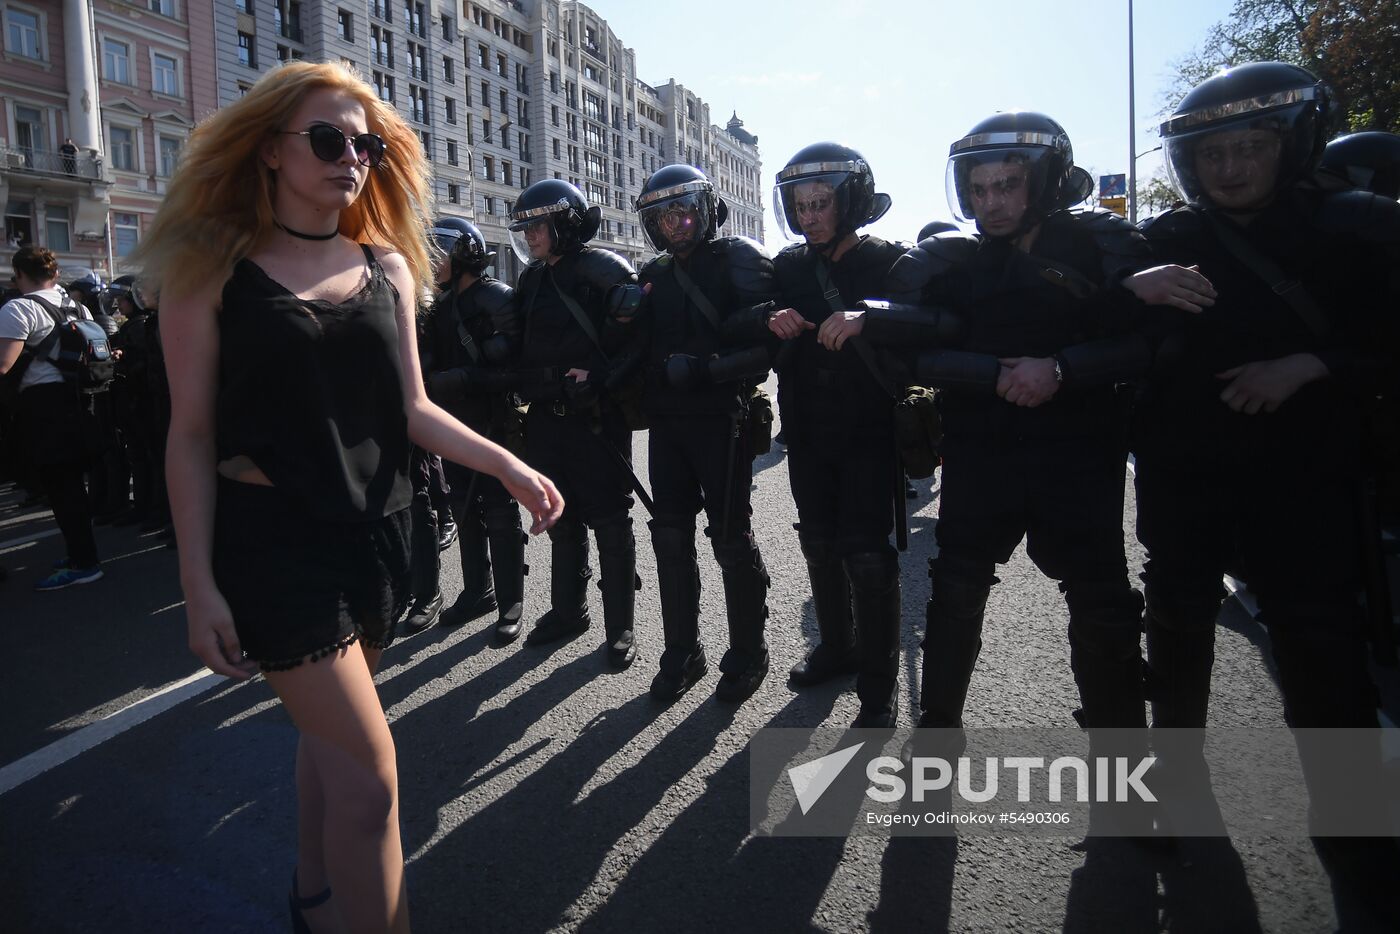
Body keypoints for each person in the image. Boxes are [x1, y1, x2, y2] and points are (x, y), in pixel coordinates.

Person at [133, 61, 562, 933]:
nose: (351, 159)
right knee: (371, 785)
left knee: (331, 748)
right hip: (272, 549)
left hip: (382, 534)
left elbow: (412, 408)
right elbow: (190, 435)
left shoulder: (390, 268)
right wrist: (199, 586)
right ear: (268, 151)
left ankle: (315, 897)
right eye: (329, 140)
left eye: (364, 144)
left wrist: (506, 465)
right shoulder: (210, 272)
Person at [836, 113, 1204, 740]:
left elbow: (1157, 345)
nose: (991, 202)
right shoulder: (951, 258)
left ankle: (1124, 769)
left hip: (1080, 455)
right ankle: (937, 733)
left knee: (1103, 607)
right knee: (955, 592)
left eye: (1007, 185)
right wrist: (985, 371)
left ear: (1046, 183)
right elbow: (907, 349)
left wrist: (1061, 369)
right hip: (982, 451)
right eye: (979, 189)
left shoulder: (1102, 244)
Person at [1139, 62, 1400, 928]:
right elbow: (1074, 302)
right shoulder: (1166, 236)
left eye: (1250, 146)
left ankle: (1357, 832)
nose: (1229, 167)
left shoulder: (1350, 228)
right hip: (1187, 479)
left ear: (1291, 144)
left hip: (1305, 481)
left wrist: (1313, 364)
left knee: (1323, 655)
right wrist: (1125, 285)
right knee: (1174, 636)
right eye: (1210, 151)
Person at [766, 142, 906, 728]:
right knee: (818, 544)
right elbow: (756, 321)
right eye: (800, 205)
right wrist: (767, 319)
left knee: (868, 558)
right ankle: (836, 646)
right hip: (806, 431)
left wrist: (872, 318)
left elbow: (930, 324)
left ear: (849, 201)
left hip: (868, 434)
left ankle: (878, 683)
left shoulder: (889, 261)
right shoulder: (790, 267)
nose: (809, 216)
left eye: (821, 202)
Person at [633, 164, 777, 702]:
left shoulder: (739, 260)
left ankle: (748, 652)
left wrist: (704, 369)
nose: (674, 223)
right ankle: (682, 652)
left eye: (682, 210)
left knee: (730, 540)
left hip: (724, 419)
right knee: (669, 537)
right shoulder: (653, 274)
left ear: (705, 208)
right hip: (668, 426)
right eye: (663, 215)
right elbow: (636, 351)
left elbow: (768, 346)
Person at [506, 179, 647, 668]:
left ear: (563, 224)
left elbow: (637, 344)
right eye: (524, 229)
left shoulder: (603, 269)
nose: (529, 238)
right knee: (558, 517)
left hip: (596, 417)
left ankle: (620, 625)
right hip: (547, 418)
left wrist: (602, 380)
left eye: (536, 227)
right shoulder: (531, 280)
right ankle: (569, 611)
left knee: (609, 519)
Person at [422, 216, 528, 642]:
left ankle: (510, 603)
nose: (431, 261)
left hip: (493, 420)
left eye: (439, 252)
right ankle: (477, 590)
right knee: (464, 508)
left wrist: (467, 379)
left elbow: (518, 369)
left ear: (464, 254)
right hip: (454, 423)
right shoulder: (438, 306)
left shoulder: (497, 298)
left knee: (501, 512)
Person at [0, 246, 108, 589]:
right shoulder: (77, 306)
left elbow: (3, 365)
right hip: (79, 401)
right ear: (56, 274)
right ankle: (82, 551)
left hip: (44, 408)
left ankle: (84, 563)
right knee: (72, 485)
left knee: (62, 489)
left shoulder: (19, 308)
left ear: (19, 275)